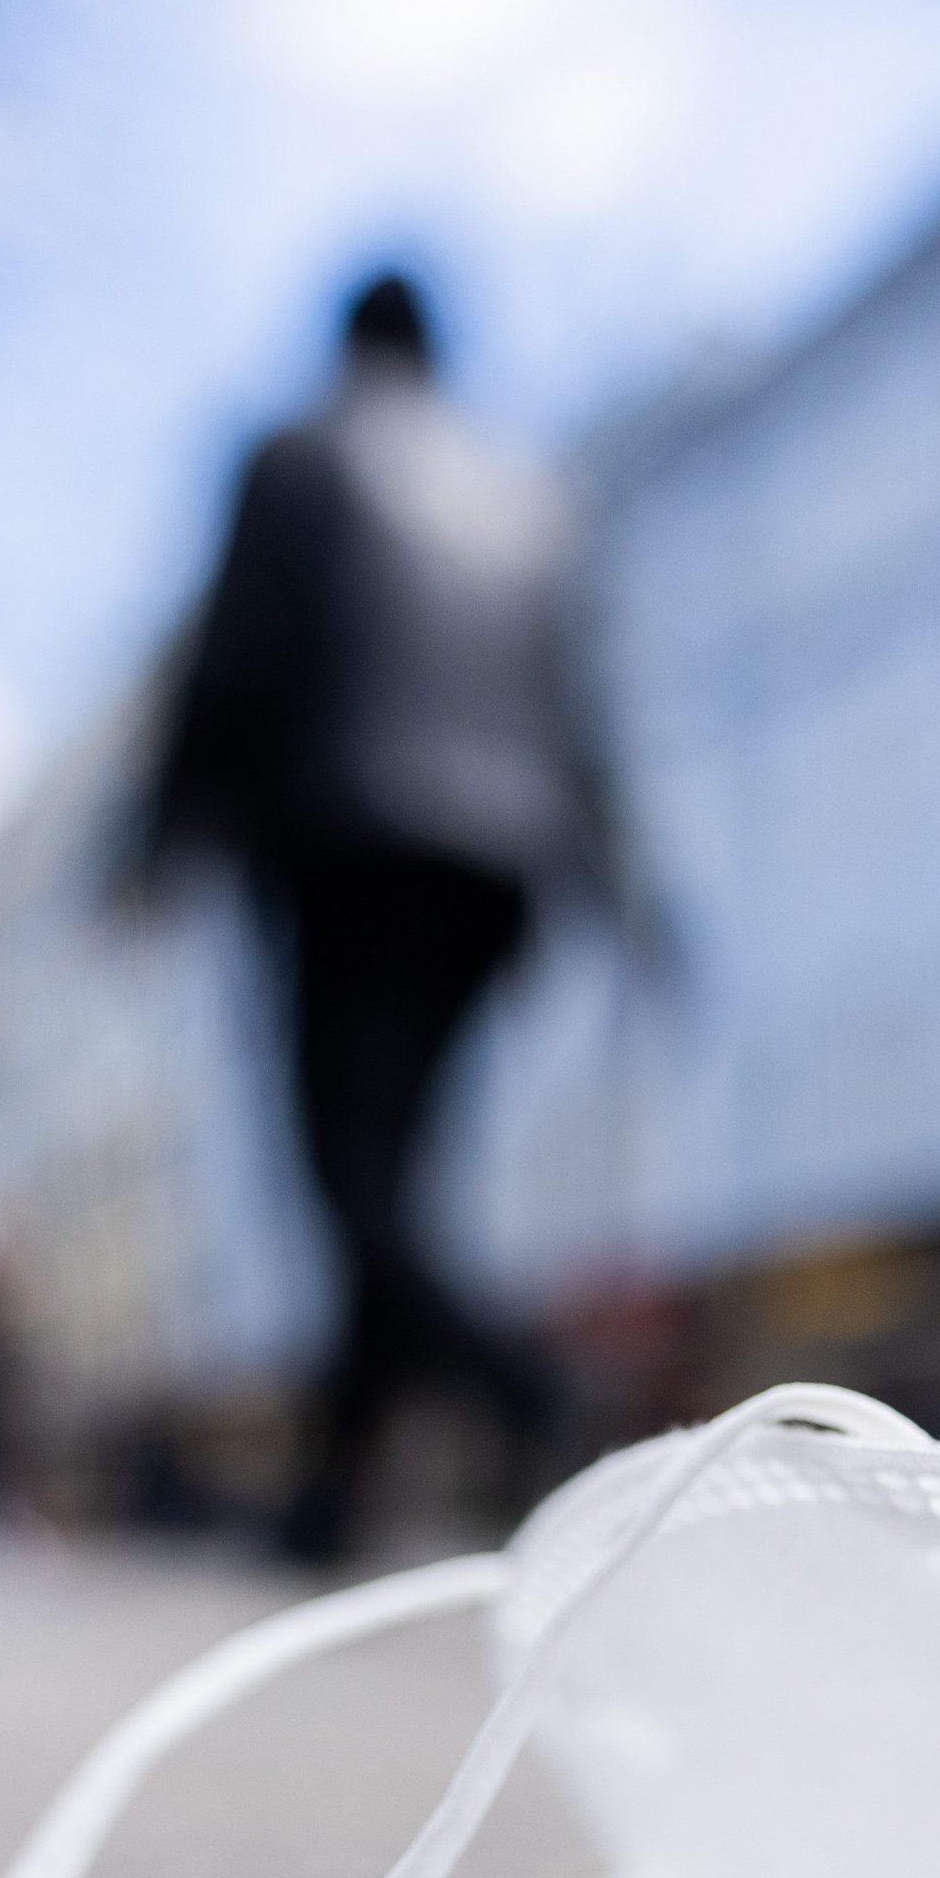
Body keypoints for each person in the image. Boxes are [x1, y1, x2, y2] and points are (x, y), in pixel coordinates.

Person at [122, 269, 645, 1563]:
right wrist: (626, 888)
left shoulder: (301, 455)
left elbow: (236, 652)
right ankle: (329, 1496)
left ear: (346, 345)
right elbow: (580, 712)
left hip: (349, 845)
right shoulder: (529, 492)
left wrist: (159, 839)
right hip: (495, 874)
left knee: (348, 1176)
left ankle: (515, 1377)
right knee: (395, 1175)